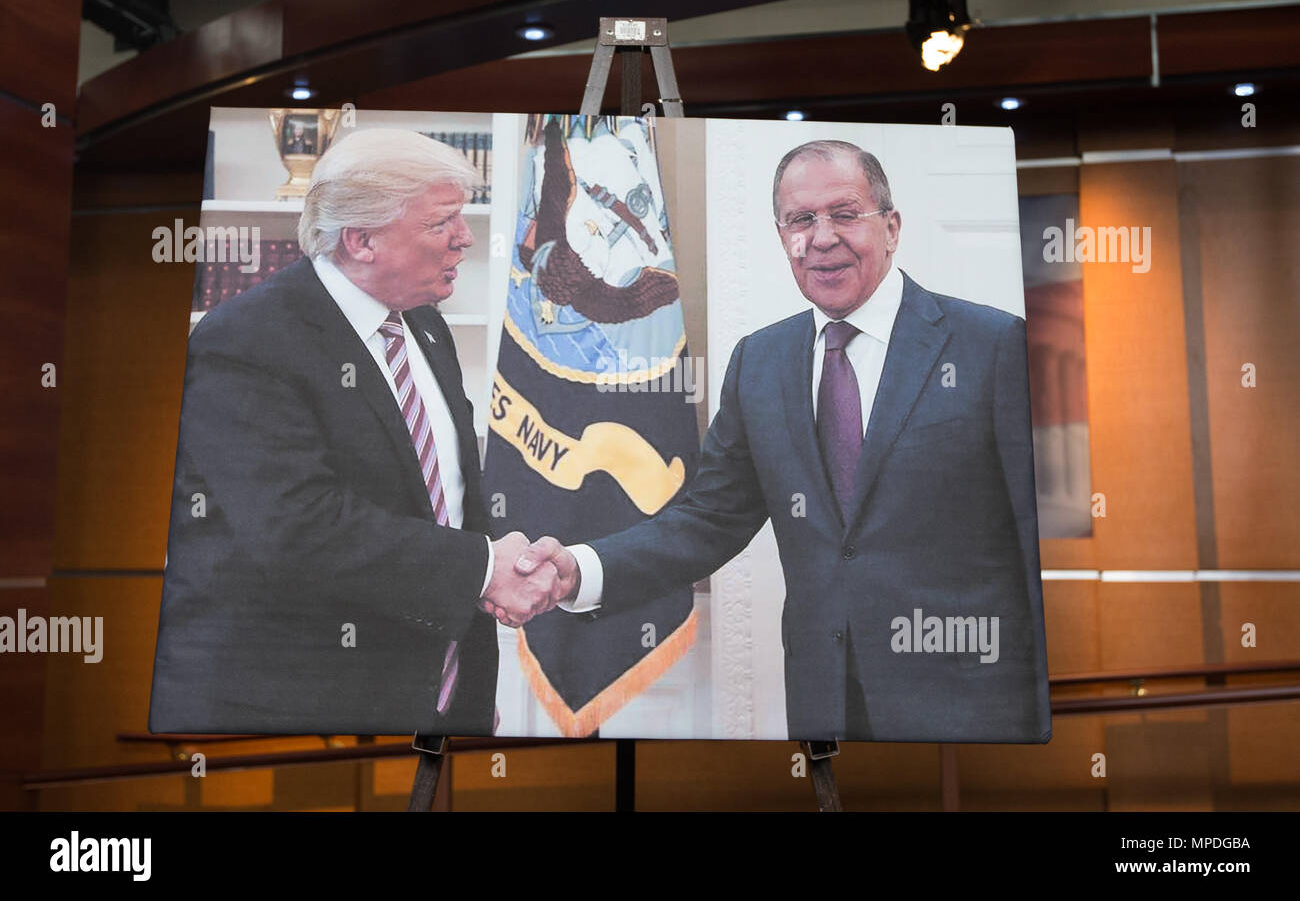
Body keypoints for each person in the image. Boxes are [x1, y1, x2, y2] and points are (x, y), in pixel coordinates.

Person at [500, 140, 1051, 743]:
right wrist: (578, 569)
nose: (821, 238)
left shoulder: (992, 345)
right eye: (801, 220)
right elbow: (708, 519)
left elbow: (1032, 534)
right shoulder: (760, 362)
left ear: (891, 227)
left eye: (845, 214)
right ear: (782, 234)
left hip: (973, 708)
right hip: (826, 705)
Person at [150, 128, 573, 736]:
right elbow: (297, 526)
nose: (464, 238)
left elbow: (447, 501)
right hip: (293, 710)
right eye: (441, 223)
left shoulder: (426, 327)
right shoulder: (244, 340)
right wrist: (484, 568)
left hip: (436, 696)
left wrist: (468, 688)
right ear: (360, 240)